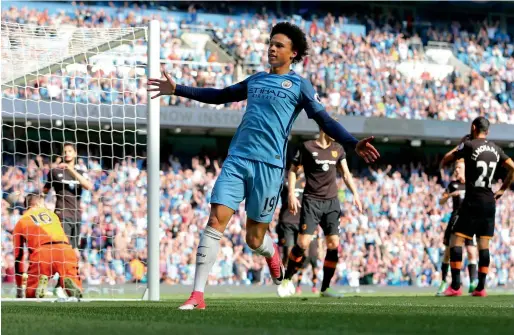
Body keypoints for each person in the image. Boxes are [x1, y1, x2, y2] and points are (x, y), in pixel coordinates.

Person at [148, 22, 380, 310]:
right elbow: (220, 95)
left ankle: (271, 256)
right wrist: (178, 89)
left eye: (279, 45)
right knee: (215, 220)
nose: (272, 48)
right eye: (270, 43)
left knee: (254, 238)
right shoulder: (255, 80)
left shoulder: (299, 86)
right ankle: (197, 295)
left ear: (293, 53)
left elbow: (325, 121)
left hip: (270, 168)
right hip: (237, 159)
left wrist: (352, 142)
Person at [277, 128, 362, 298]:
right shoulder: (307, 147)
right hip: (312, 202)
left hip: (331, 203)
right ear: (323, 128)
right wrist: (291, 193)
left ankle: (325, 288)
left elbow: (345, 173)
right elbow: (293, 170)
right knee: (303, 243)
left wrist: (356, 194)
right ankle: (287, 279)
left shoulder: (338, 149)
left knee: (333, 244)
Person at [440, 117, 514, 297]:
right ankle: (480, 288)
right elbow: (513, 167)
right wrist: (502, 189)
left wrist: (460, 145)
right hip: (490, 200)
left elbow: (447, 159)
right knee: (484, 245)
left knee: (456, 240)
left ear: (473, 127)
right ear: (487, 131)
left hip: (472, 199)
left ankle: (456, 286)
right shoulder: (496, 149)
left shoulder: (469, 145)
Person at [42, 143, 92, 297]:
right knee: (63, 252)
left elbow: (88, 186)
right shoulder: (55, 172)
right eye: (65, 151)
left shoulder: (81, 171)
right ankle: (57, 284)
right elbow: (45, 190)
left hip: (76, 216)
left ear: (75, 153)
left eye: (70, 151)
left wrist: (70, 169)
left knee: (74, 252)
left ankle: (61, 285)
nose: (68, 153)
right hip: (61, 214)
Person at [13, 194, 82, 299]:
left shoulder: (21, 221)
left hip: (42, 253)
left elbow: (18, 257)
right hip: (65, 250)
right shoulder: (52, 215)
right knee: (75, 288)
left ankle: (38, 287)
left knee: (30, 296)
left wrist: (19, 287)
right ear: (39, 203)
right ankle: (68, 284)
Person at [436, 159, 478, 296]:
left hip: (469, 222)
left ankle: (473, 283)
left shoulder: (473, 185)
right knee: (448, 253)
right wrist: (449, 195)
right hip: (454, 221)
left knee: (471, 251)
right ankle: (444, 281)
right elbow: (441, 201)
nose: (456, 170)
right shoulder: (453, 185)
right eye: (456, 168)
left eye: (459, 167)